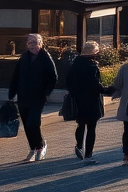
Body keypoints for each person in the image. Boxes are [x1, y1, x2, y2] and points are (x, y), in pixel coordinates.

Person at [8, 32, 58, 162]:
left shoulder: (45, 58)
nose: (32, 46)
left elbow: (53, 77)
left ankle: (41, 146)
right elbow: (15, 76)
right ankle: (33, 147)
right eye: (30, 43)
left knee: (33, 123)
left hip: (38, 97)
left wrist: (46, 92)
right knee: (26, 124)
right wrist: (12, 93)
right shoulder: (24, 57)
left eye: (35, 43)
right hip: (23, 96)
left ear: (41, 44)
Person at [65, 41, 112, 163]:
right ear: (93, 52)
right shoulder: (92, 66)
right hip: (92, 100)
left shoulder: (75, 64)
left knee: (81, 124)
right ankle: (88, 154)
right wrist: (107, 90)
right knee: (91, 127)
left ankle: (79, 145)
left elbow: (68, 82)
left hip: (78, 99)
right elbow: (95, 84)